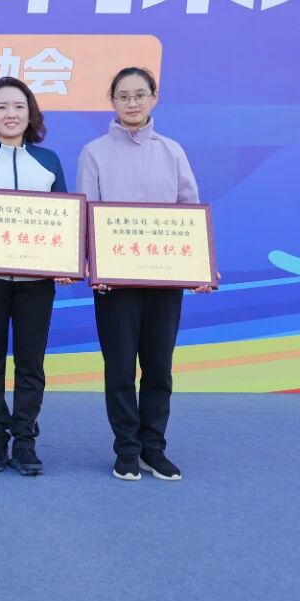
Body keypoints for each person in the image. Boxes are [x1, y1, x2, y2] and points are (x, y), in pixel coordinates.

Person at [76, 66, 214, 482]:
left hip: (164, 279)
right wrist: (90, 265)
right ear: (112, 101)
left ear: (154, 97)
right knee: (119, 369)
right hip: (113, 281)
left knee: (158, 368)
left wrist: (200, 266)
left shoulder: (172, 151)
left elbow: (189, 211)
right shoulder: (94, 152)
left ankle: (154, 447)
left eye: (140, 94)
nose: (132, 103)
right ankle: (126, 449)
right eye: (123, 96)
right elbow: (84, 213)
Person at [0, 76, 71, 477]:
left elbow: (63, 220)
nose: (10, 114)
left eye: (19, 106)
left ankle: (24, 439)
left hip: (37, 285)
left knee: (31, 364)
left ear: (31, 114)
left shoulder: (49, 161)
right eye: (1, 107)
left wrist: (64, 263)